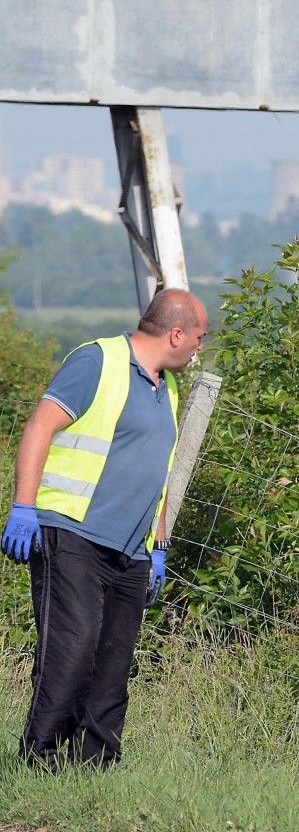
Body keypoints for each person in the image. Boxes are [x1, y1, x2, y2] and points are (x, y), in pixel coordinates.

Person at [2, 288, 207, 768]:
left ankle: (95, 767)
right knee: (72, 651)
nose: (200, 347)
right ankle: (39, 760)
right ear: (176, 334)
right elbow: (39, 428)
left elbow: (156, 473)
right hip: (72, 532)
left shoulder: (167, 389)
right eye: (199, 337)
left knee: (113, 665)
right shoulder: (98, 361)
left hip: (132, 549)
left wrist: (158, 546)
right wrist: (23, 507)